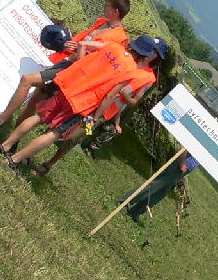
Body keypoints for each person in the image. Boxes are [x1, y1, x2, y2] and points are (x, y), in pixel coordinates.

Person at [0, 36, 155, 169]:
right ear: (144, 55)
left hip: (69, 86)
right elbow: (110, 96)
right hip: (83, 103)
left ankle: (4, 146)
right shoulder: (131, 71)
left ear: (132, 45)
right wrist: (94, 118)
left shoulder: (113, 46)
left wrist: (79, 65)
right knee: (54, 134)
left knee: (38, 117)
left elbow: (83, 44)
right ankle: (14, 160)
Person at [0, 0, 131, 133]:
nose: (104, 7)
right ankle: (12, 140)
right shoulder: (102, 22)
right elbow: (86, 41)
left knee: (27, 80)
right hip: (68, 63)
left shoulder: (119, 38)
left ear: (115, 11)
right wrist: (72, 41)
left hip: (74, 71)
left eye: (107, 6)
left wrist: (79, 49)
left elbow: (99, 63)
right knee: (36, 98)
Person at [29, 36, 168, 176]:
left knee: (76, 137)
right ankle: (30, 151)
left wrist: (124, 95)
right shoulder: (126, 56)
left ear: (156, 56)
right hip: (88, 98)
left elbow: (133, 103)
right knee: (55, 121)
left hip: (101, 114)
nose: (151, 52)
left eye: (155, 51)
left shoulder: (150, 78)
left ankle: (49, 164)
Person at [119, 151, 198, 223]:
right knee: (154, 187)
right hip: (180, 165)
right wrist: (181, 164)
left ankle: (135, 212)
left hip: (183, 170)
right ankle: (124, 202)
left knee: (160, 194)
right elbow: (183, 148)